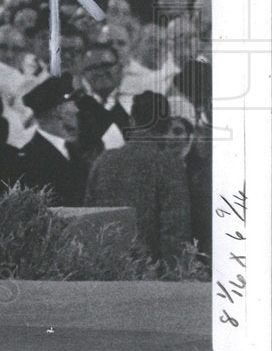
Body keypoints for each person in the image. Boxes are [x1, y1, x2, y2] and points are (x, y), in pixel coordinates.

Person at [84, 92, 191, 263]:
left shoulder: (104, 160)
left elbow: (88, 215)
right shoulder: (170, 164)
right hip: (149, 271)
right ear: (166, 126)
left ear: (132, 121)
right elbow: (175, 230)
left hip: (104, 267)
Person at [17, 74, 88, 207]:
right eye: (72, 104)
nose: (77, 110)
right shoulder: (30, 158)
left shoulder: (72, 150)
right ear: (58, 111)